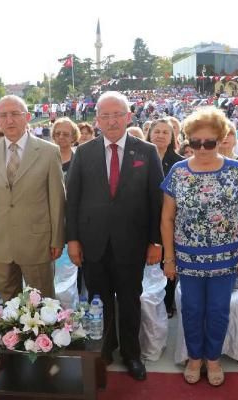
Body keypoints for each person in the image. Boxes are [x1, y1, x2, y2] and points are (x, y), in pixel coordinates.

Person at [66, 91, 164, 381]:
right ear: (96, 120)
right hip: (93, 243)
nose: (111, 121)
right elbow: (72, 201)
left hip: (132, 245)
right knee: (98, 300)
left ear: (129, 116)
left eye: (117, 114)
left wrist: (155, 241)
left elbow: (155, 201)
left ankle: (132, 354)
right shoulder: (83, 153)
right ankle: (105, 350)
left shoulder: (146, 152)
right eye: (105, 116)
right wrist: (72, 240)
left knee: (131, 301)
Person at [160, 107, 238, 386]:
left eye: (209, 142)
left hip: (226, 258)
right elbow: (167, 217)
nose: (202, 148)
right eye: (195, 142)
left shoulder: (236, 171)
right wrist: (169, 257)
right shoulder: (178, 172)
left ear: (222, 138)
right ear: (187, 141)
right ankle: (194, 357)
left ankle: (212, 358)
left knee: (217, 309)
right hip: (188, 258)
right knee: (190, 309)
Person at [0, 95, 65, 301]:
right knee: (8, 307)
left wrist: (57, 238)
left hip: (38, 243)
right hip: (0, 244)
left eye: (15, 114)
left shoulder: (49, 152)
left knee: (43, 305)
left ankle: (44, 336)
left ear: (27, 117)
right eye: (3, 115)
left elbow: (57, 199)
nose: (9, 120)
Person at [146, 118, 183, 318]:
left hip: (171, 222)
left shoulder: (179, 163)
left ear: (172, 138)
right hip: (145, 221)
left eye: (165, 132)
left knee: (167, 263)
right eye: (156, 131)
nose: (160, 135)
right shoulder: (139, 157)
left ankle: (167, 305)